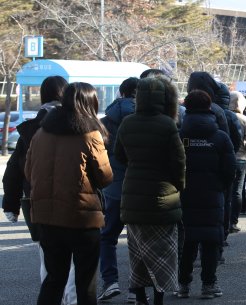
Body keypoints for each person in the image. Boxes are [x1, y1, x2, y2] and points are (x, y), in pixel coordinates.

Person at [25, 82, 113, 305]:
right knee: (85, 283)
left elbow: (28, 171)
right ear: (89, 103)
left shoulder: (41, 134)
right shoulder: (90, 135)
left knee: (53, 280)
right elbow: (105, 177)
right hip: (81, 218)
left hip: (46, 218)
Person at [2, 76, 78, 305]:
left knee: (47, 256)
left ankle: (53, 298)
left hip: (36, 199)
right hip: (73, 198)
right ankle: (72, 298)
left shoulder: (31, 128)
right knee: (75, 256)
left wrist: (11, 205)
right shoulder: (77, 124)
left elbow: (13, 169)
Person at [115, 76, 186, 305]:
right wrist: (179, 185)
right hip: (162, 197)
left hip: (133, 195)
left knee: (137, 253)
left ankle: (139, 298)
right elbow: (179, 161)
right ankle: (158, 299)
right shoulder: (167, 124)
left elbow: (119, 156)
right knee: (163, 253)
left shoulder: (127, 123)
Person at [177, 90, 236, 299]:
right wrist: (221, 187)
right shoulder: (220, 137)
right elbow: (230, 170)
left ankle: (183, 284)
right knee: (211, 241)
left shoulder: (179, 135)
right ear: (209, 107)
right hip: (213, 195)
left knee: (186, 241)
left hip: (184, 195)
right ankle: (208, 285)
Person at [97, 77, 139, 302]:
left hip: (112, 186)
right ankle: (136, 289)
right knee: (139, 239)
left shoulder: (105, 121)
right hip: (139, 186)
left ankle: (110, 281)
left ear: (121, 93)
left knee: (107, 237)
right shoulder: (144, 118)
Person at [228, 91, 246, 232]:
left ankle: (223, 221)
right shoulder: (245, 119)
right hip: (240, 159)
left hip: (225, 158)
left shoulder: (222, 116)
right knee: (237, 191)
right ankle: (233, 222)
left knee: (224, 191)